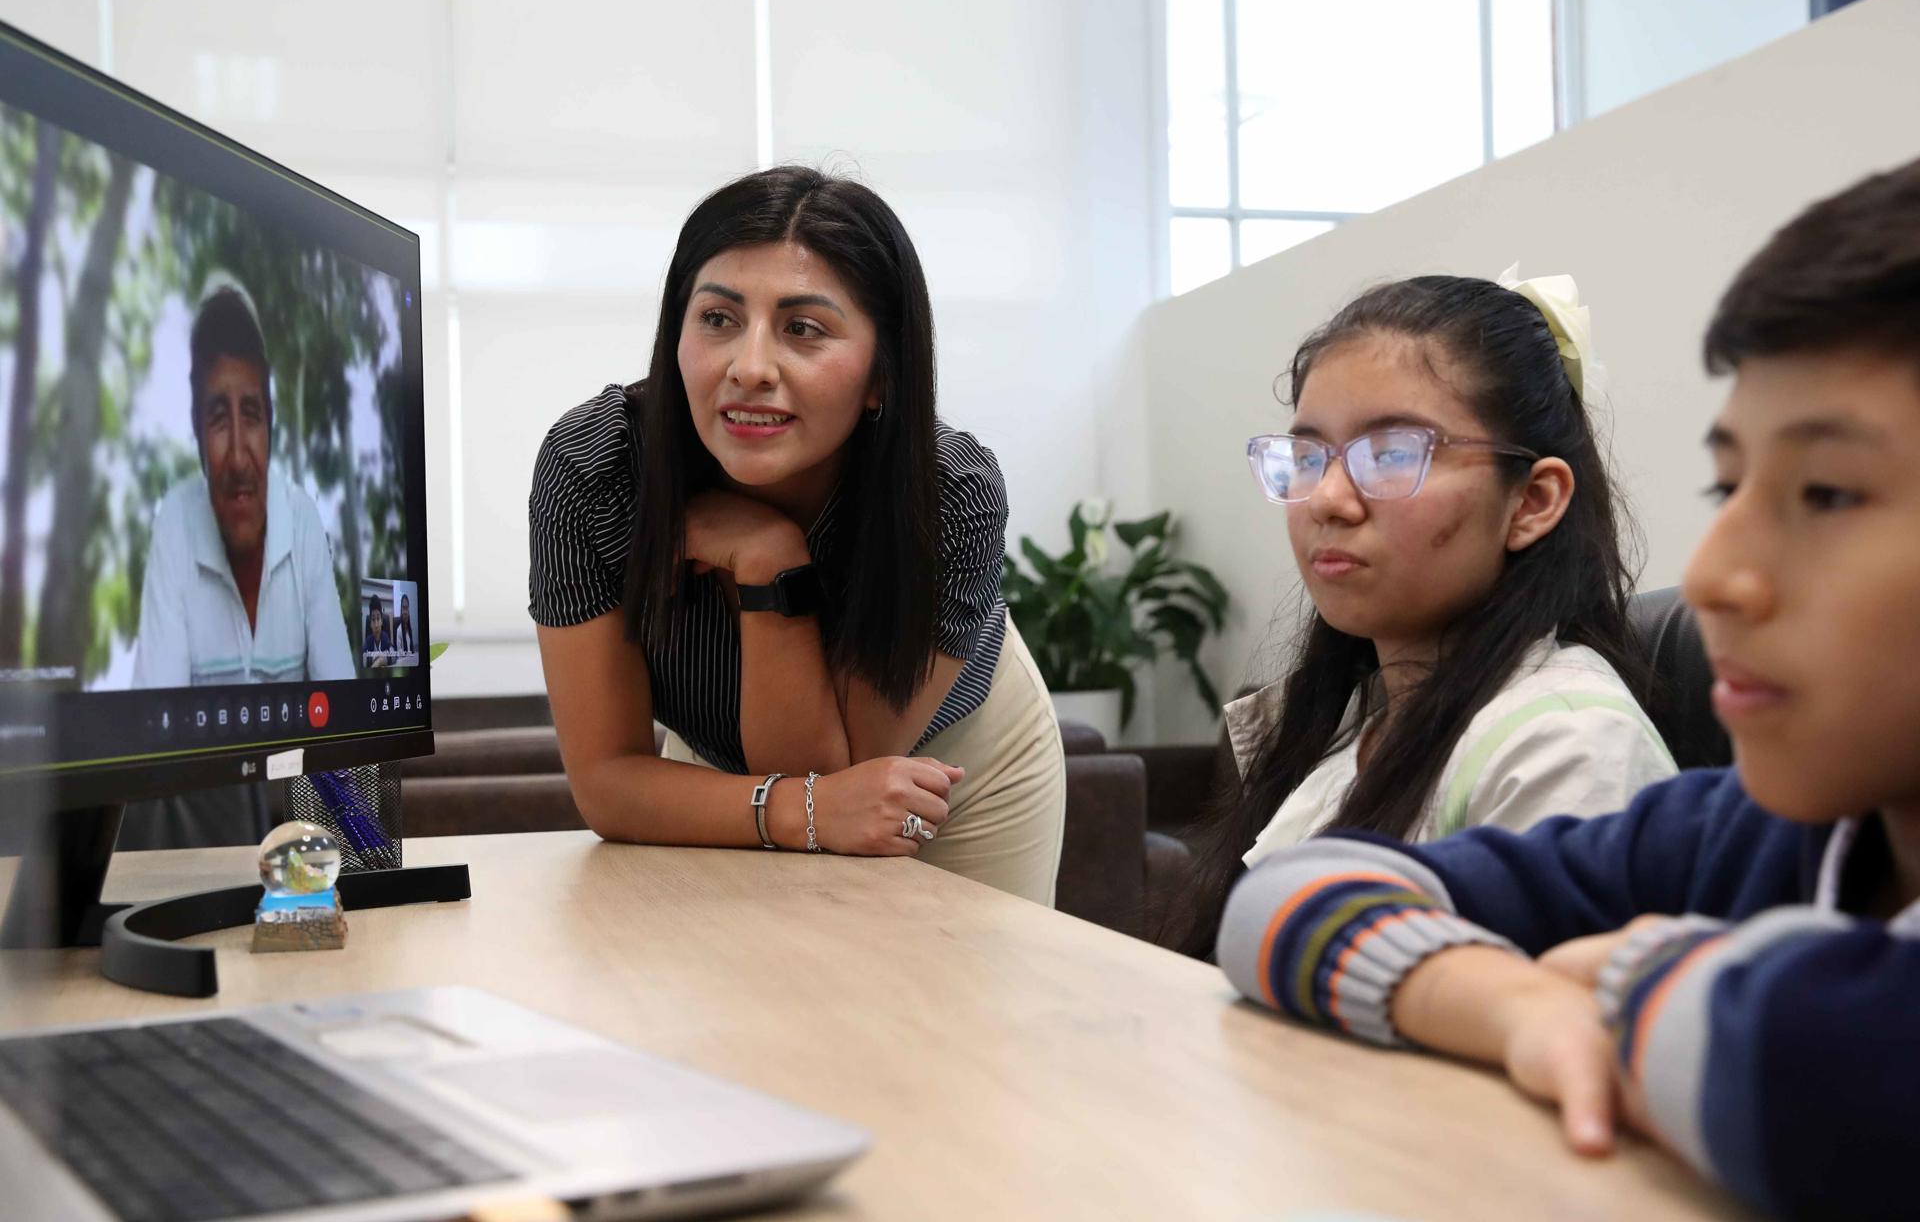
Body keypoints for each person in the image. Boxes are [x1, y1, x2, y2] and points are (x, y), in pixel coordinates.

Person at [1217, 159, 1920, 1221]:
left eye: (1825, 491)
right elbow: (1284, 898)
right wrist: (1519, 1003)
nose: (1721, 572)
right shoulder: (1760, 829)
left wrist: (1636, 967)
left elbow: (1811, 1066)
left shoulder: (1569, 726)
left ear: (1536, 499)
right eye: (1730, 486)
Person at [529, 167, 1065, 904]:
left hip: (954, 760)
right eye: (717, 319)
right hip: (726, 764)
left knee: (953, 1008)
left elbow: (837, 777)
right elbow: (609, 783)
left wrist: (770, 566)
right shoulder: (596, 468)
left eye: (802, 329)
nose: (750, 368)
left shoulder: (949, 493)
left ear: (882, 374)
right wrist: (790, 803)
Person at [1178, 272, 1674, 951]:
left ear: (1532, 502)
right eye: (1308, 455)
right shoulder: (1349, 722)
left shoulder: (1569, 750)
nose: (1326, 499)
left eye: (1391, 454)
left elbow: (1555, 1031)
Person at [133, 285, 354, 687]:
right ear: (198, 434)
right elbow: (157, 729)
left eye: (251, 415)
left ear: (270, 428)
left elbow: (344, 711)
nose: (237, 457)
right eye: (218, 418)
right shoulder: (175, 527)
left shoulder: (301, 520)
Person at [363, 594, 393, 666]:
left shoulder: (385, 637)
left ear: (382, 621)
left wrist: (380, 661)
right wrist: (379, 658)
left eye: (378, 619)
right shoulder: (368, 640)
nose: (376, 625)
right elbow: (362, 658)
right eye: (373, 619)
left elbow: (394, 654)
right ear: (370, 624)